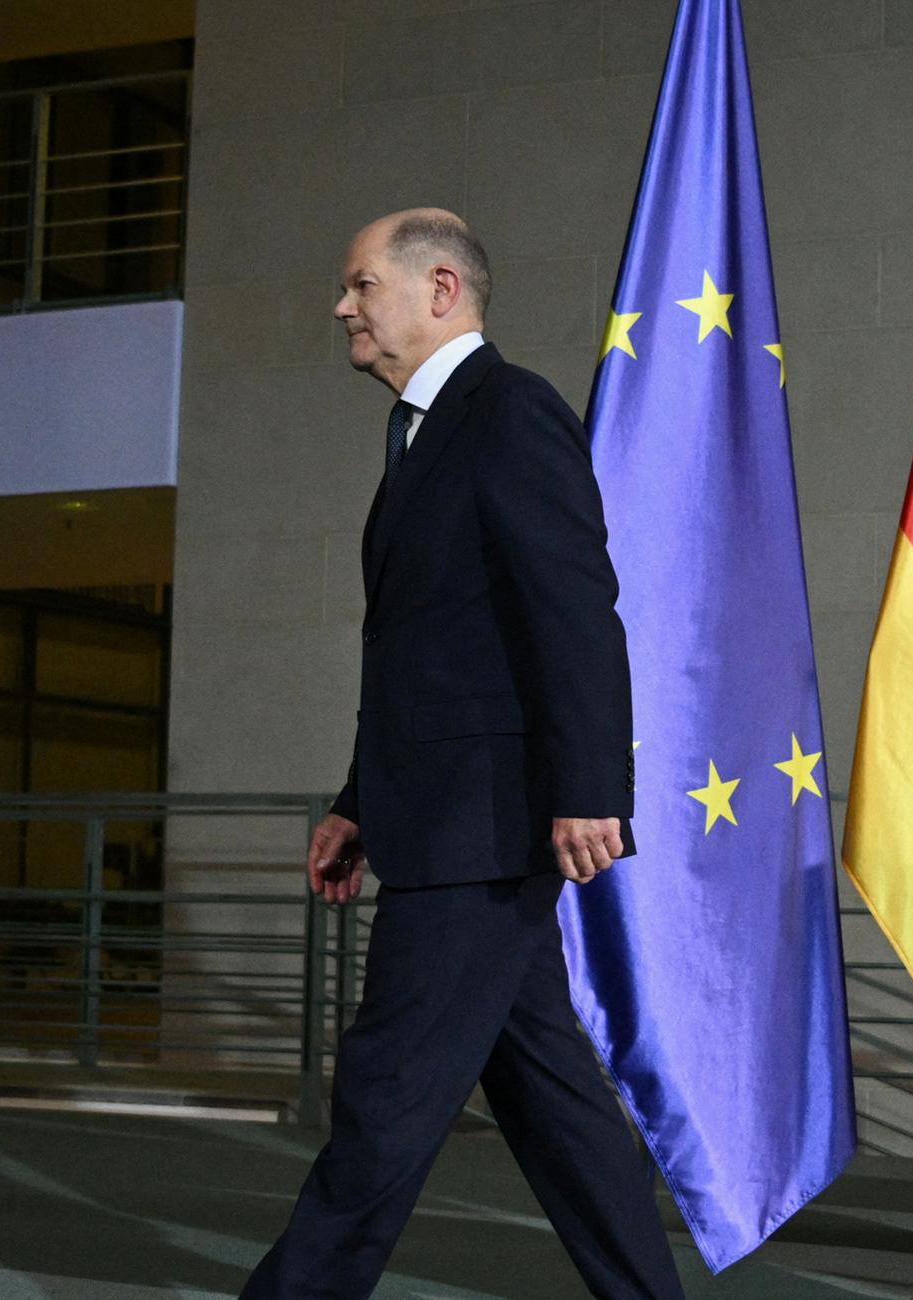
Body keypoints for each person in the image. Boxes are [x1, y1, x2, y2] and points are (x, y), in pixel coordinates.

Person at [240, 208, 684, 1300]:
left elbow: (574, 609)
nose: (342, 306)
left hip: (479, 835)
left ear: (440, 289)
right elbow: (423, 653)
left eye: (359, 284)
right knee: (555, 1111)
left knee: (384, 1104)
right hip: (441, 819)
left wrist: (588, 787)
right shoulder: (423, 434)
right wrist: (359, 802)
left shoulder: (509, 413)